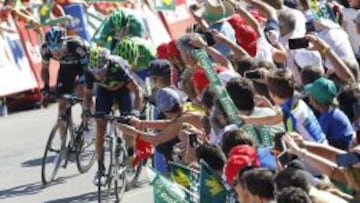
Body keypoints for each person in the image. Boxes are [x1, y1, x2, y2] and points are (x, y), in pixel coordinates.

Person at [82, 46, 143, 185]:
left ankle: (130, 155)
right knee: (100, 128)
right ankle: (101, 167)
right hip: (105, 93)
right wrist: (87, 110)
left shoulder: (116, 67)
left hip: (123, 92)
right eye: (95, 72)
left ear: (107, 64)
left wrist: (135, 112)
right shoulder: (89, 71)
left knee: (127, 124)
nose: (98, 75)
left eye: (101, 71)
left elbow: (137, 91)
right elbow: (87, 94)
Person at [239, 69, 327, 144]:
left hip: (314, 152)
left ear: (272, 94)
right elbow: (278, 116)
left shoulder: (289, 116)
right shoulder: (296, 98)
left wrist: (247, 120)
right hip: (323, 143)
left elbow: (273, 120)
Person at [41, 26, 88, 147]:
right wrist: (46, 87)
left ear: (65, 42)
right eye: (53, 48)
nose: (56, 52)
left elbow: (86, 69)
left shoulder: (76, 45)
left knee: (82, 93)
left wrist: (82, 84)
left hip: (82, 67)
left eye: (59, 47)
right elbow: (45, 70)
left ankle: (88, 124)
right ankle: (63, 145)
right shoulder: (46, 50)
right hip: (66, 70)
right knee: (62, 104)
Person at [305, 77, 354, 150]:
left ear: (316, 101)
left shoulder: (327, 117)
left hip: (342, 150)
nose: (309, 99)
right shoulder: (332, 111)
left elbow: (318, 139)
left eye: (311, 96)